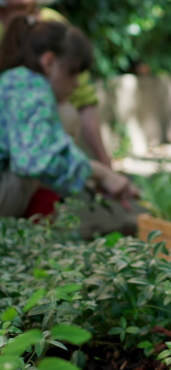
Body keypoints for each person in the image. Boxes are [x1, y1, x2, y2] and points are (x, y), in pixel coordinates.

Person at [0, 16, 137, 222]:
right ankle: (39, 222)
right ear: (49, 62)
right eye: (73, 74)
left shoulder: (16, 80)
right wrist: (99, 172)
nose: (76, 85)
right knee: (66, 115)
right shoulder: (31, 87)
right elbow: (33, 160)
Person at [0, 0, 112, 167]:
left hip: (37, 144)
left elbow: (82, 97)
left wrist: (106, 164)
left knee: (67, 112)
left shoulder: (54, 26)